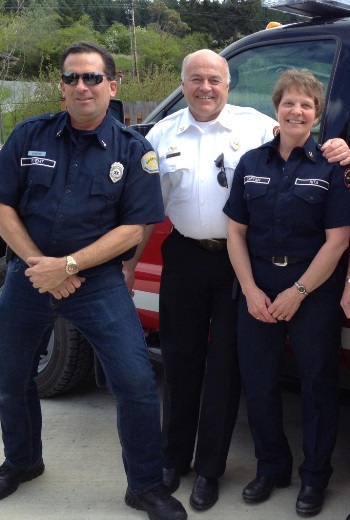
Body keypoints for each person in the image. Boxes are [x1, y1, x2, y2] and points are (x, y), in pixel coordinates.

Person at [123, 49, 350, 512]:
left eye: (215, 79)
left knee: (234, 372)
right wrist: (128, 266)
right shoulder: (161, 134)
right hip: (199, 260)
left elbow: (311, 161)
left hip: (264, 271)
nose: (205, 87)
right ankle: (184, 461)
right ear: (183, 83)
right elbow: (148, 208)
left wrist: (342, 147)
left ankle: (213, 469)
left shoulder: (258, 127)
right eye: (195, 79)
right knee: (186, 361)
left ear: (229, 84)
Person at [0, 41, 187, 520]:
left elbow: (134, 226)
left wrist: (66, 267)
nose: (81, 86)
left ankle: (144, 486)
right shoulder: (28, 135)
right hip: (28, 275)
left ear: (112, 85)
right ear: (62, 88)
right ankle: (22, 461)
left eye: (92, 77)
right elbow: (3, 207)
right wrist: (41, 266)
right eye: (71, 78)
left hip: (97, 283)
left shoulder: (135, 149)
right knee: (10, 377)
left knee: (136, 384)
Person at [224, 68, 350, 517]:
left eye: (306, 105)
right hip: (257, 286)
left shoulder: (332, 168)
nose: (297, 110)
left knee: (317, 386)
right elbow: (235, 232)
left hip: (312, 289)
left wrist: (298, 291)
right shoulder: (251, 163)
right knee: (258, 384)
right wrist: (250, 291)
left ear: (316, 116)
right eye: (289, 102)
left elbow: (338, 240)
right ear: (275, 107)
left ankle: (314, 478)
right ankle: (271, 467)